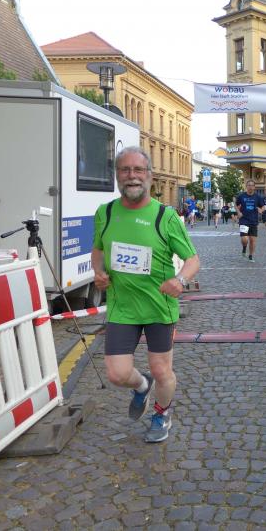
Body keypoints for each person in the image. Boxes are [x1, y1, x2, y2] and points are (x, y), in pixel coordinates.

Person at [91, 146, 199, 443]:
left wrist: (180, 280)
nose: (132, 176)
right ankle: (141, 386)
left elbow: (192, 260)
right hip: (122, 307)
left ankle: (162, 414)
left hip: (158, 307)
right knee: (117, 374)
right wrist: (98, 272)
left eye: (138, 170)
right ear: (117, 175)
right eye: (125, 170)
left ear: (149, 176)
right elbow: (98, 250)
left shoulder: (166, 216)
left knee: (162, 370)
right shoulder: (105, 213)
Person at [235, 179, 265, 262]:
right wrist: (238, 212)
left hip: (253, 221)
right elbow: (236, 205)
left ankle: (251, 255)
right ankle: (244, 247)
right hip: (244, 220)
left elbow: (263, 206)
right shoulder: (241, 196)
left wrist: (261, 210)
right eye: (249, 185)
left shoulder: (258, 197)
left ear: (254, 187)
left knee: (252, 240)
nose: (250, 187)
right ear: (246, 186)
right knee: (244, 239)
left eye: (252, 185)